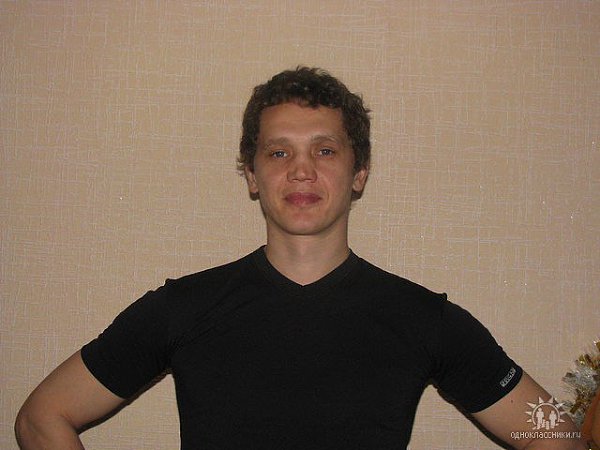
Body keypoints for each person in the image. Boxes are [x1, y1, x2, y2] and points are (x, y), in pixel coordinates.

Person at [15, 67, 586, 449]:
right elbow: (43, 418)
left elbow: (555, 436)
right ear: (252, 175)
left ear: (358, 173)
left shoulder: (423, 319)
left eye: (326, 150)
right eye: (279, 152)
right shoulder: (182, 308)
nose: (302, 170)